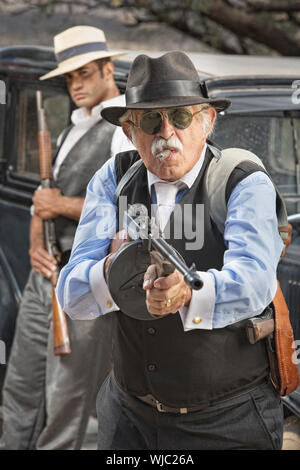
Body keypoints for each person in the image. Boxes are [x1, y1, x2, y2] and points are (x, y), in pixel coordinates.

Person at [56, 51, 285, 450]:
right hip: (129, 416)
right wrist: (115, 269)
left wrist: (187, 294)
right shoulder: (113, 178)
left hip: (225, 421)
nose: (166, 133)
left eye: (180, 117)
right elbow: (72, 293)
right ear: (130, 132)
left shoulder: (242, 182)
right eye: (150, 120)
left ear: (207, 121)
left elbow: (255, 282)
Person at [0, 26, 134, 450]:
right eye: (69, 78)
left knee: (65, 402)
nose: (76, 85)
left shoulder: (123, 128)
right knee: (20, 388)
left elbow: (128, 212)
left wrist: (58, 207)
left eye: (85, 74)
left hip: (86, 284)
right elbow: (45, 196)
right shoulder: (72, 127)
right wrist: (35, 243)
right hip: (46, 277)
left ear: (108, 70)